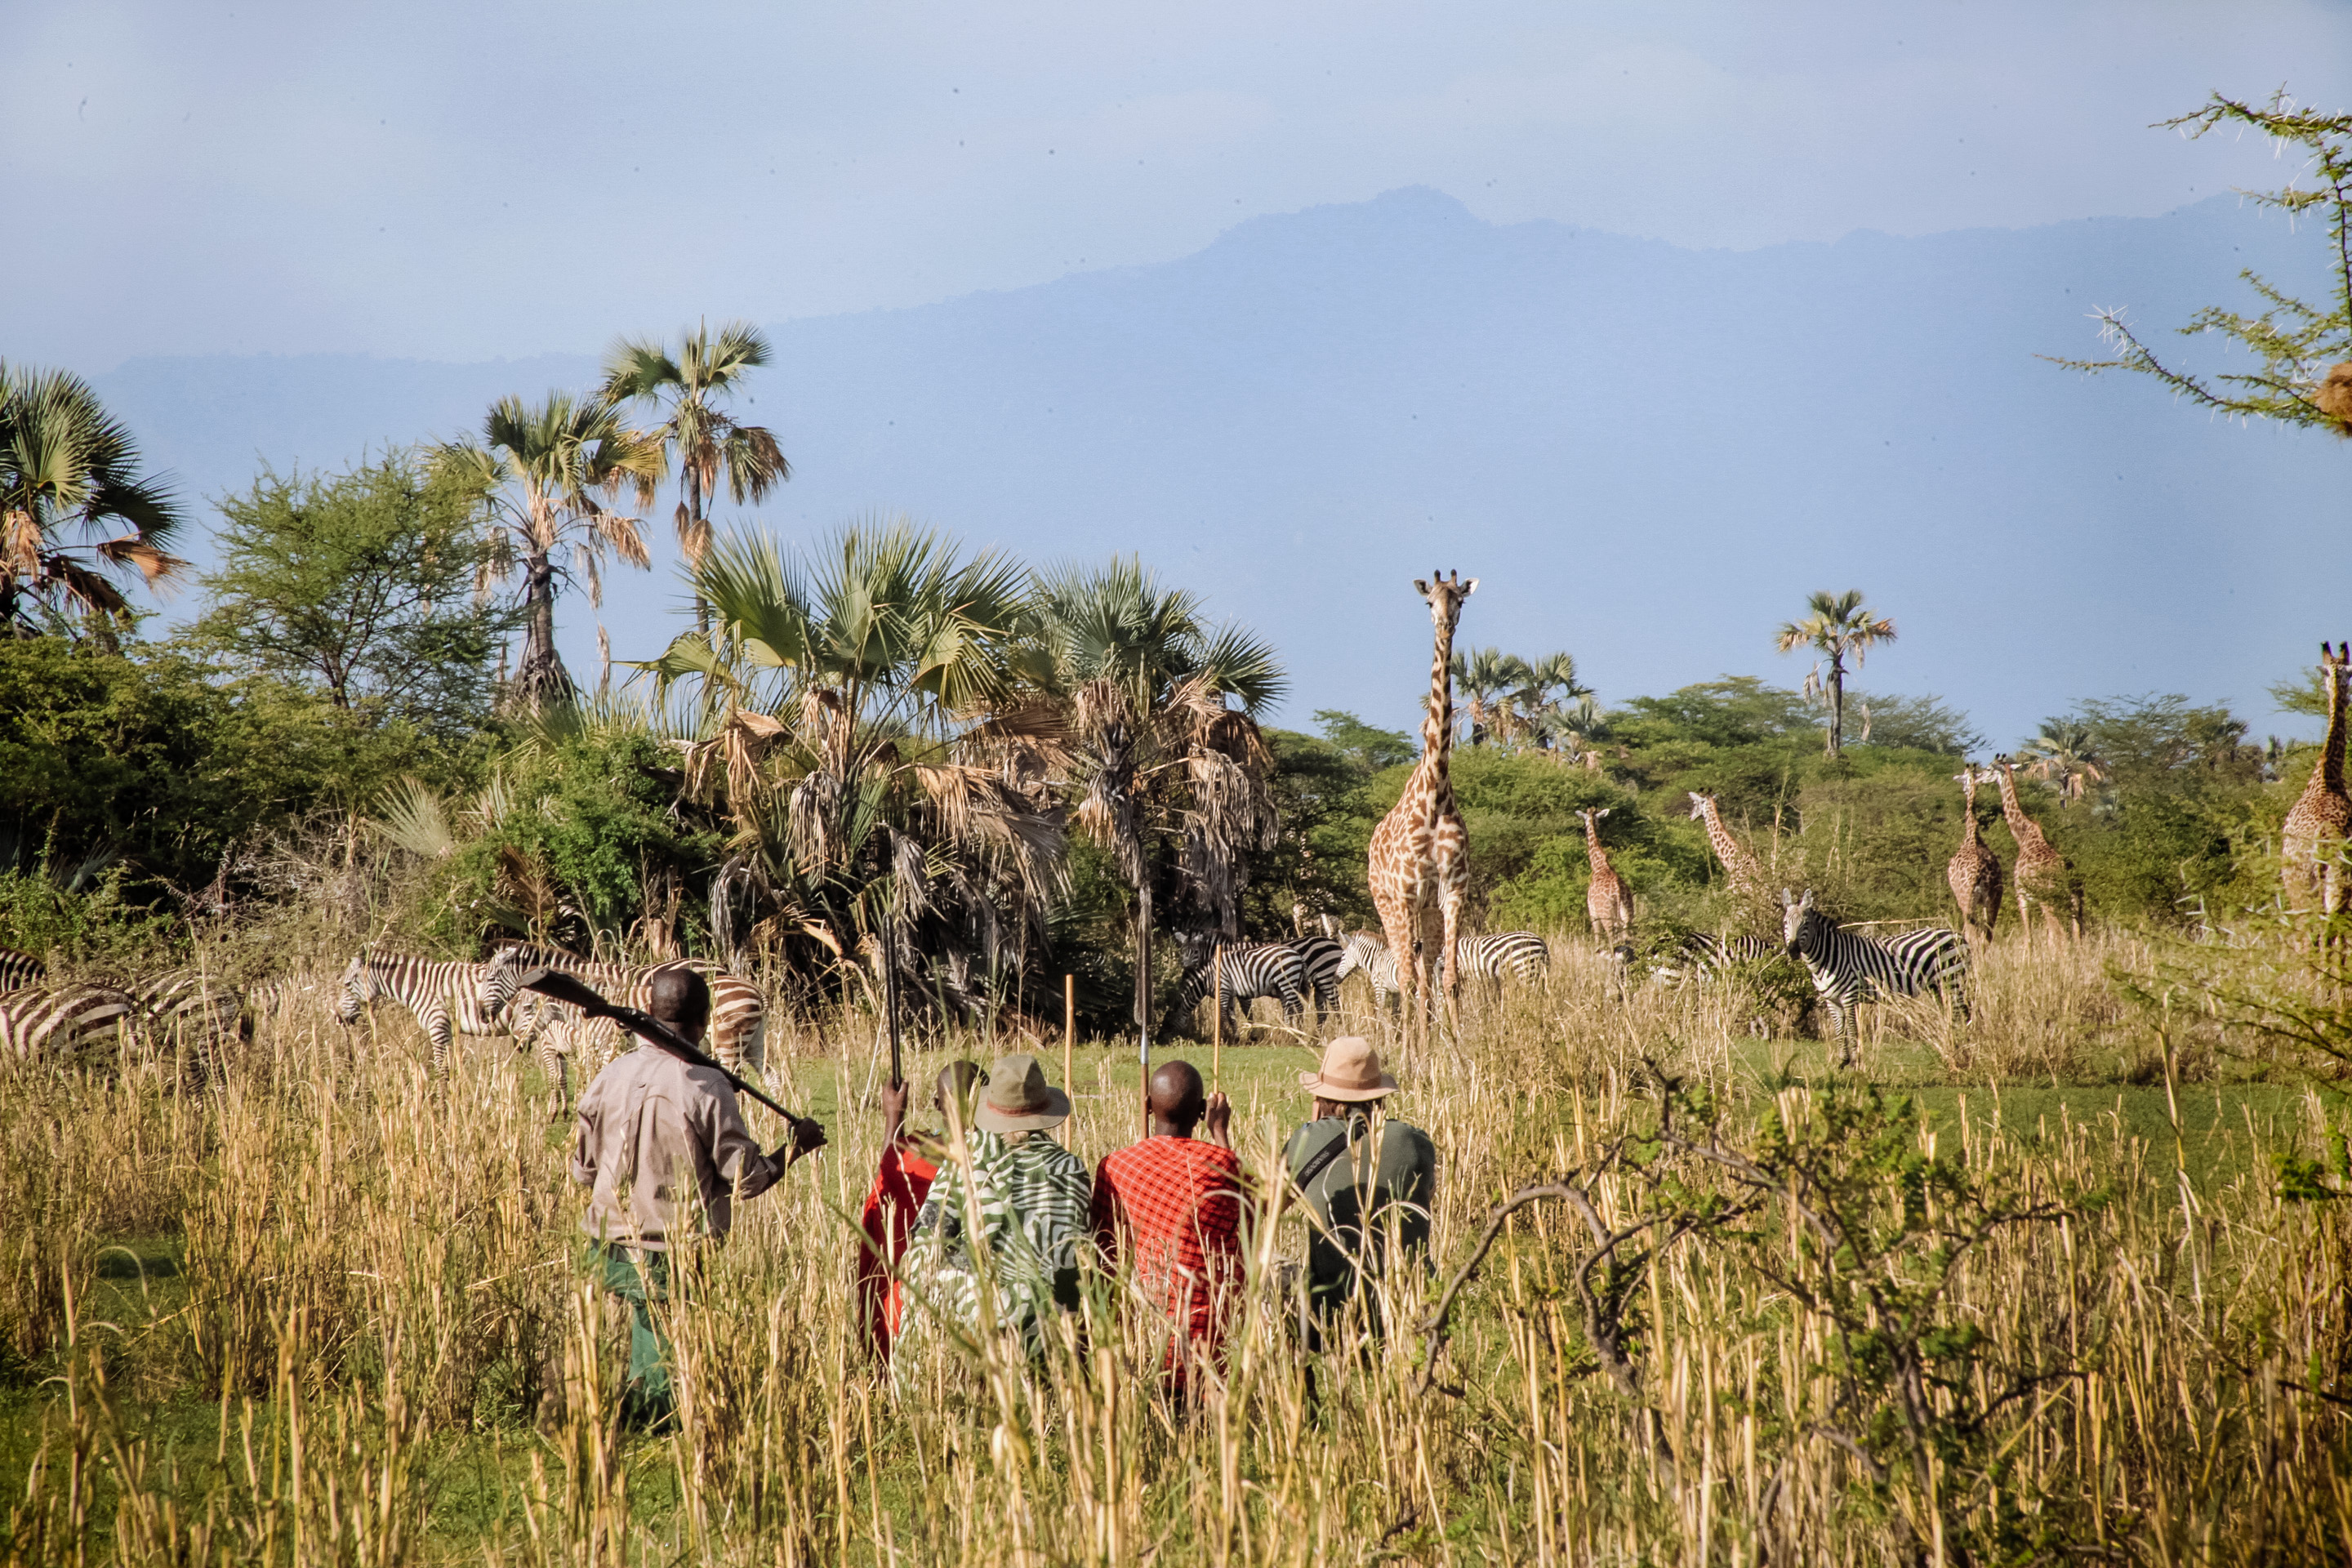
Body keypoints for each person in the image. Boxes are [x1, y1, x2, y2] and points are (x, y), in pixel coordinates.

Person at [568, 967, 824, 1426]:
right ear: (706, 1020)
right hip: (674, 1251)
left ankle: (618, 1408)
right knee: (663, 1340)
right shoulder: (707, 1086)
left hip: (604, 1244)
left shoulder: (608, 1075)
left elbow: (584, 1172)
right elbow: (747, 1180)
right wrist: (796, 1149)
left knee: (637, 1331)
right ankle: (654, 1416)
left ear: (648, 1013)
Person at [898, 1052, 1090, 1368]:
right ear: (1045, 1109)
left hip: (970, 1330)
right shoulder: (1069, 1168)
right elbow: (1073, 1260)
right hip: (1044, 1335)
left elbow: (925, 1245)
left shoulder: (964, 1159)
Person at [1090, 1059, 1254, 1390]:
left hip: (1144, 1342)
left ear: (1148, 1107)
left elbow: (1104, 1257)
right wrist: (1220, 1132)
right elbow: (1255, 1218)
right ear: (1200, 1112)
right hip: (1211, 1346)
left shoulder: (1116, 1166)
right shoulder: (1224, 1165)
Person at [1282, 1036, 1436, 1344]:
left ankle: (1298, 1380)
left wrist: (1315, 1130)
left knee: (1272, 1273)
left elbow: (1263, 1210)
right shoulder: (1414, 1140)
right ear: (1380, 1095)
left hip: (1332, 1314)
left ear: (1322, 1097)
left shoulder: (1305, 1143)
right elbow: (1425, 1195)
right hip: (1411, 1309)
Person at [858, 1059, 984, 1360]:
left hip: (907, 1308)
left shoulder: (908, 1156)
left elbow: (886, 1183)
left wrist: (894, 1117)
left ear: (936, 1103)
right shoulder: (995, 1163)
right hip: (976, 1311)